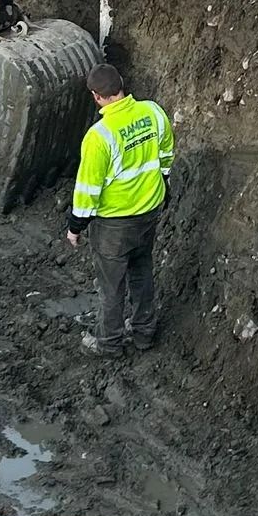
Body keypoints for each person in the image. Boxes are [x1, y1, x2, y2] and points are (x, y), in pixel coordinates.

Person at [67, 62, 175, 355]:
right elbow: (166, 150)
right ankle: (144, 333)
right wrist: (163, 181)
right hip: (149, 213)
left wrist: (76, 226)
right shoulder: (153, 112)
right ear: (122, 85)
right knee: (142, 273)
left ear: (96, 96)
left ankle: (109, 343)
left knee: (111, 287)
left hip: (114, 224)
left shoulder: (99, 136)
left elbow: (88, 189)